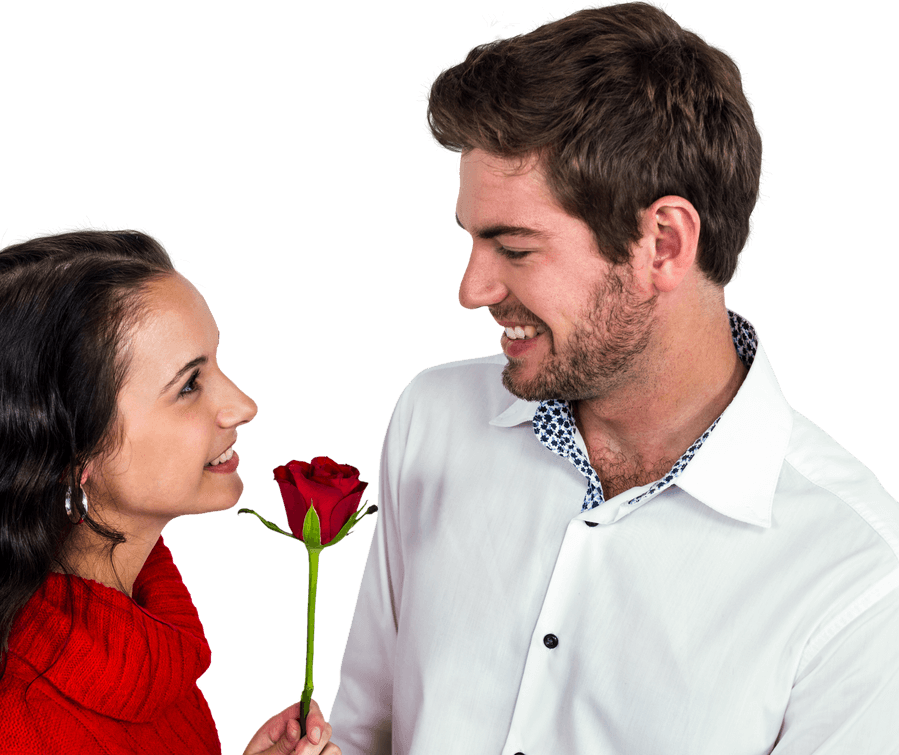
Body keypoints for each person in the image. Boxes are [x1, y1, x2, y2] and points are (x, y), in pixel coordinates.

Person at [329, 2, 899, 753]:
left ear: (663, 243)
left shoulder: (858, 578)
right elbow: (365, 729)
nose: (472, 289)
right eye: (472, 239)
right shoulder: (432, 417)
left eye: (516, 248)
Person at [0, 225, 341, 755]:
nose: (242, 405)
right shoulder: (23, 727)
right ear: (75, 457)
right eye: (189, 384)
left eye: (216, 363)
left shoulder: (136, 647)